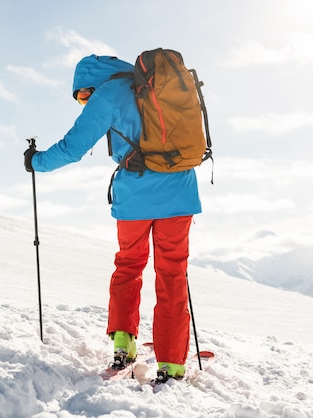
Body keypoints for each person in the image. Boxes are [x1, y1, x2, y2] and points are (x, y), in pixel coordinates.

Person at [23, 55, 202, 381]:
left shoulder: (108, 94)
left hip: (135, 198)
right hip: (181, 193)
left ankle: (124, 344)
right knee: (173, 275)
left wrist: (36, 162)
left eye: (81, 95)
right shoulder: (154, 86)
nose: (84, 102)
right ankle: (173, 364)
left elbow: (72, 148)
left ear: (91, 84)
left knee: (129, 267)